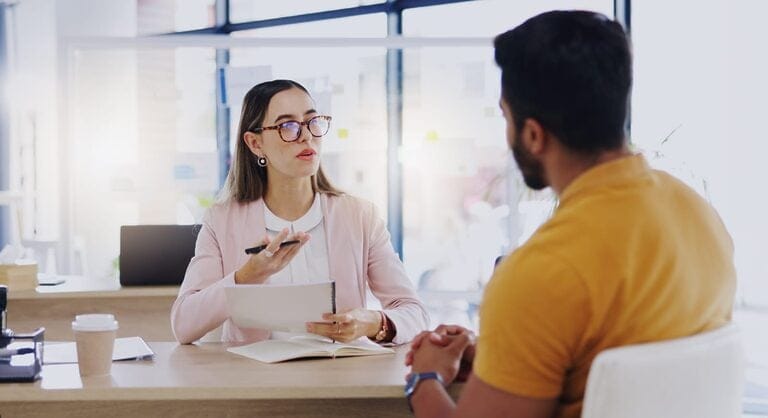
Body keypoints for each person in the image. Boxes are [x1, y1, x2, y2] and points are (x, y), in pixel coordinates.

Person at [405, 10, 736, 418]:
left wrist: (424, 379)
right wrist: (508, 360)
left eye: (506, 116)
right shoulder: (697, 213)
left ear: (532, 134)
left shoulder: (541, 272)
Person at [171, 79, 428, 345]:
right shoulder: (221, 221)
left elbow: (414, 312)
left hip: (343, 378)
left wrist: (373, 322)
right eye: (287, 126)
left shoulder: (360, 216)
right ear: (255, 144)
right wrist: (247, 277)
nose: (306, 135)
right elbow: (184, 325)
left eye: (312, 121)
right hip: (255, 381)